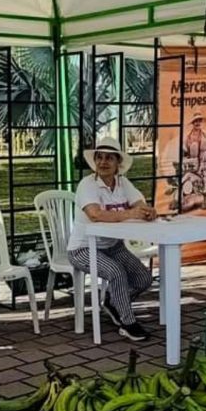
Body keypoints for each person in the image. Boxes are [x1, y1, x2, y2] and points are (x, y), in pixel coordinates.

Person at [67, 137, 156, 341]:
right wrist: (131, 213)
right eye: (99, 157)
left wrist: (149, 211)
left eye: (109, 158)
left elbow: (140, 205)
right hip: (82, 248)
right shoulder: (87, 184)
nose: (103, 162)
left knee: (144, 278)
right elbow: (96, 215)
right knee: (116, 272)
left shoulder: (123, 182)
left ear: (118, 164)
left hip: (113, 246)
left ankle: (113, 302)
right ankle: (128, 322)